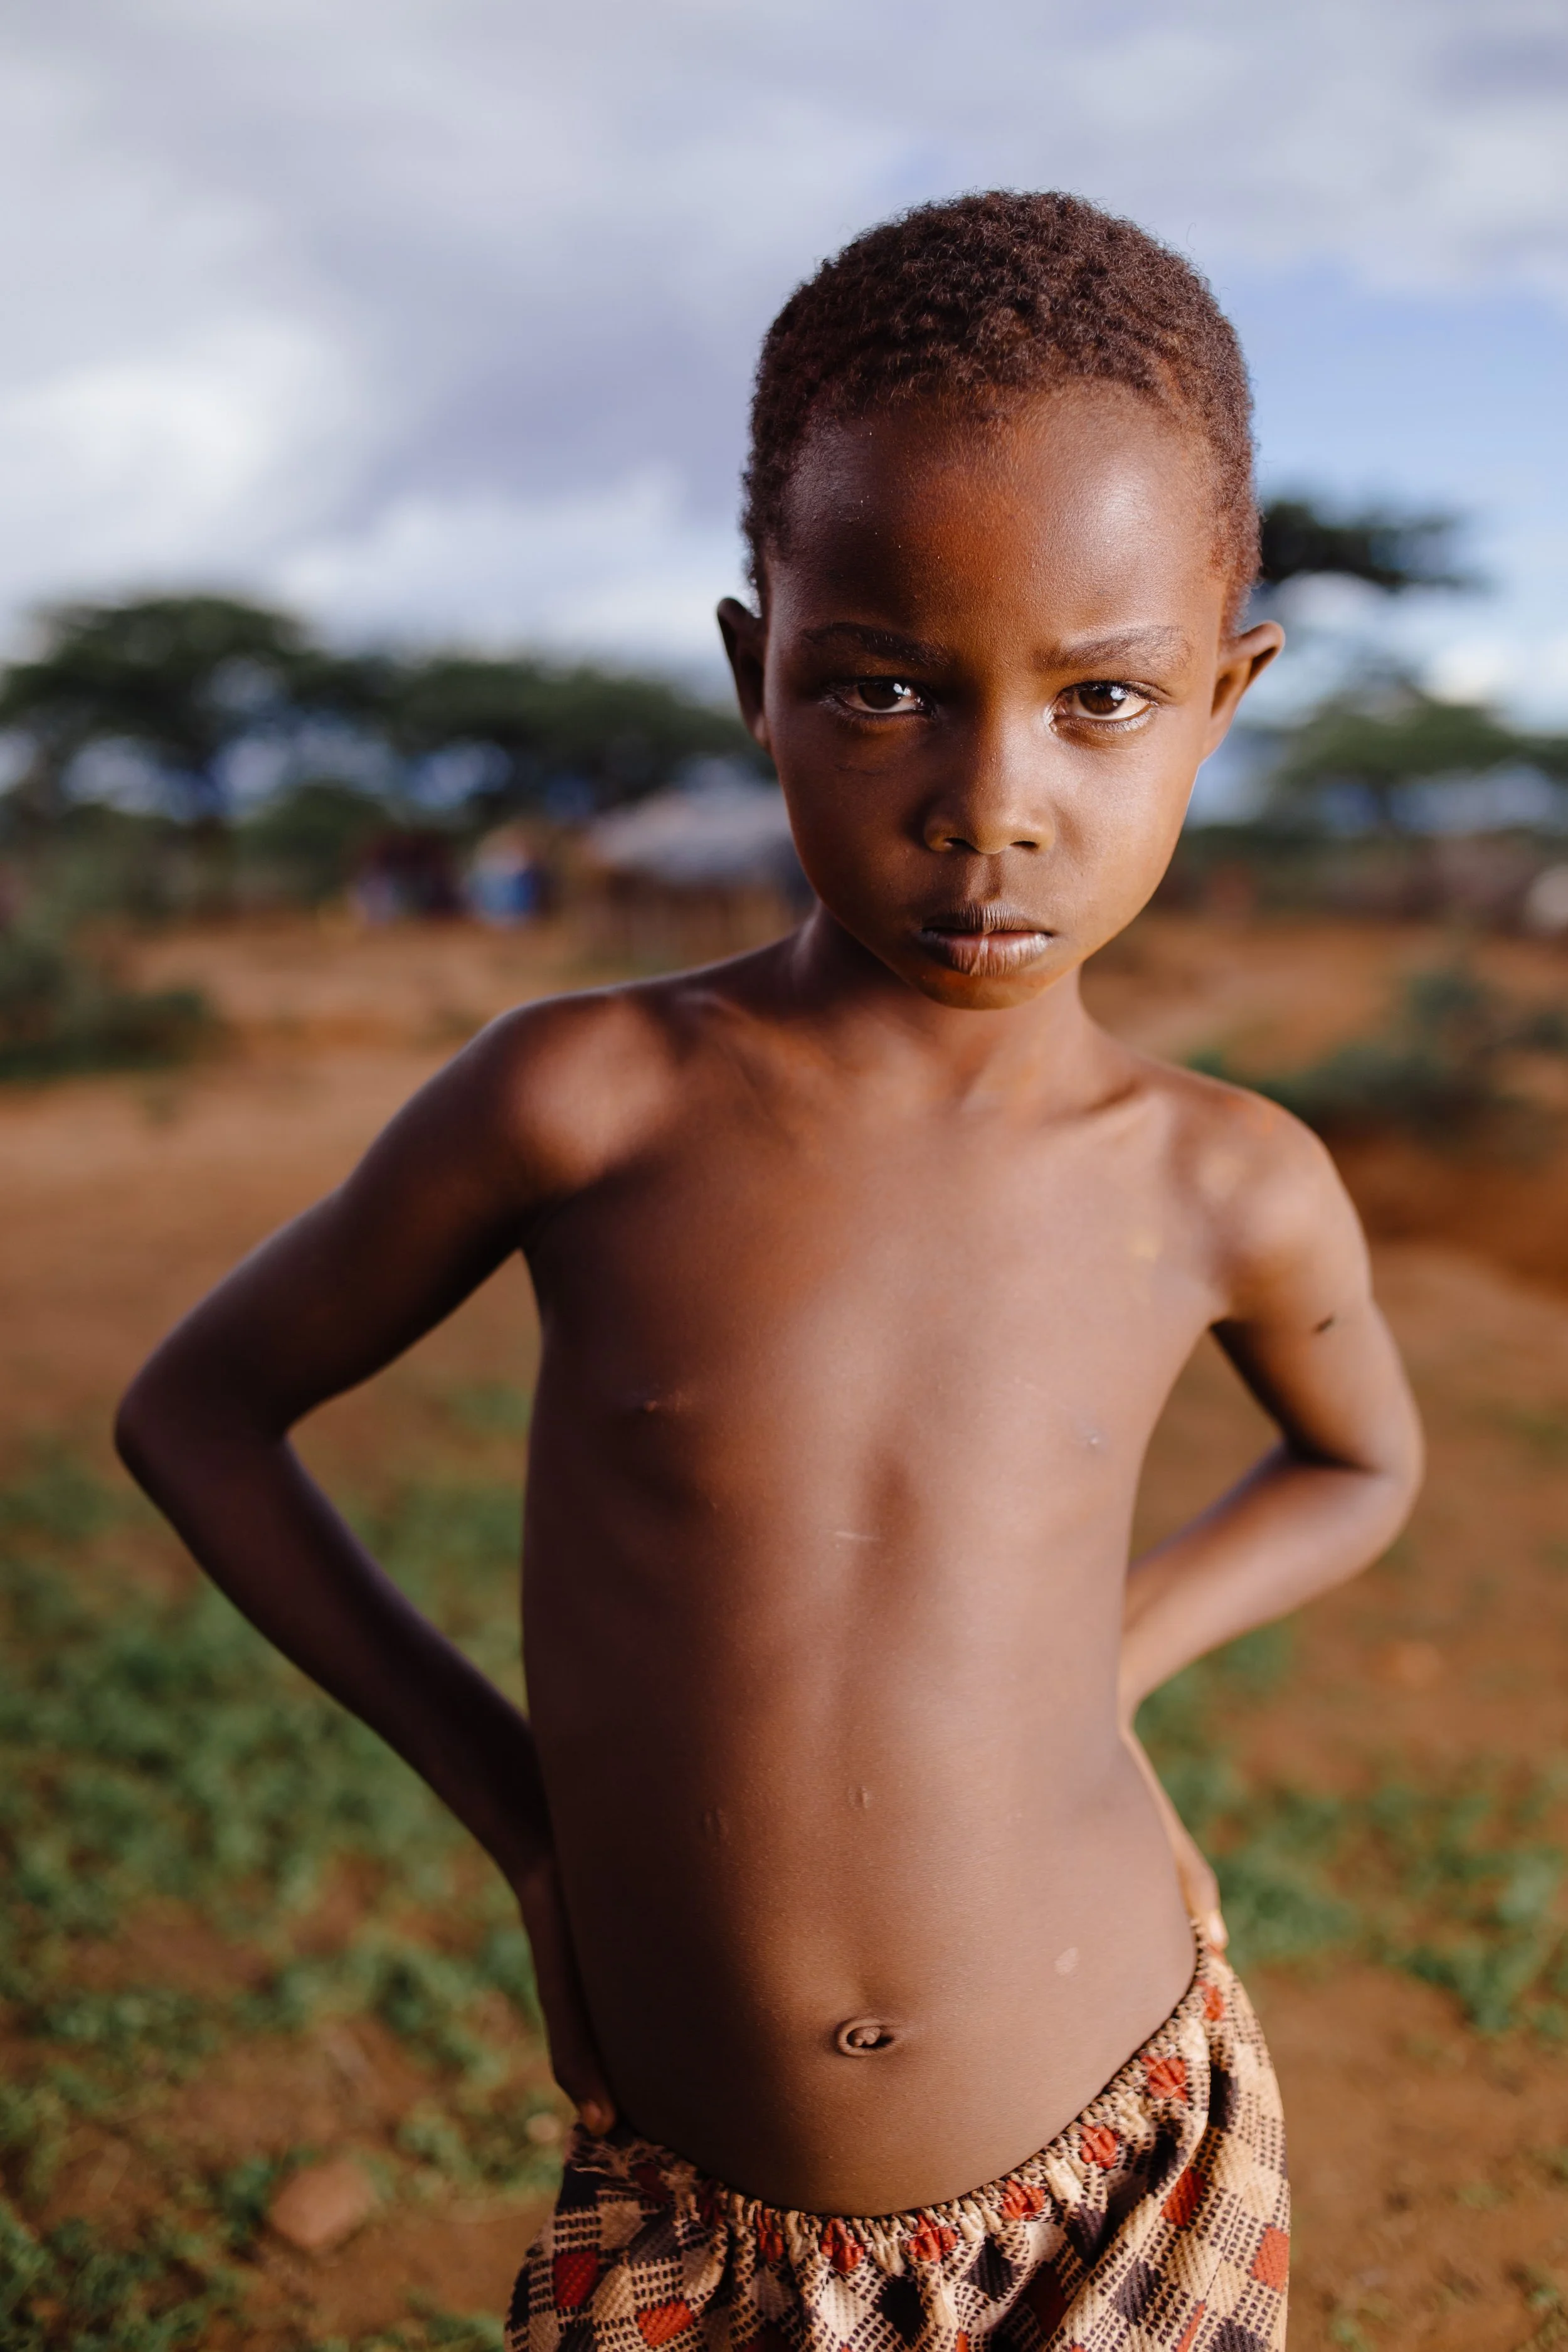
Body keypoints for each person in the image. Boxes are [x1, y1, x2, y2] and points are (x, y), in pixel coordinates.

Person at [116, 193, 1422, 2352]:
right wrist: (529, 1824)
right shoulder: (586, 1103)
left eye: (1102, 699)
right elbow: (198, 1410)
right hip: (700, 2224)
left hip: (1123, 2161)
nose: (987, 803)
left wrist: (1112, 1660)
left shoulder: (1225, 1179)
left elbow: (1353, 1462)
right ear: (757, 675)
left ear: (1225, 695)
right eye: (882, 686)